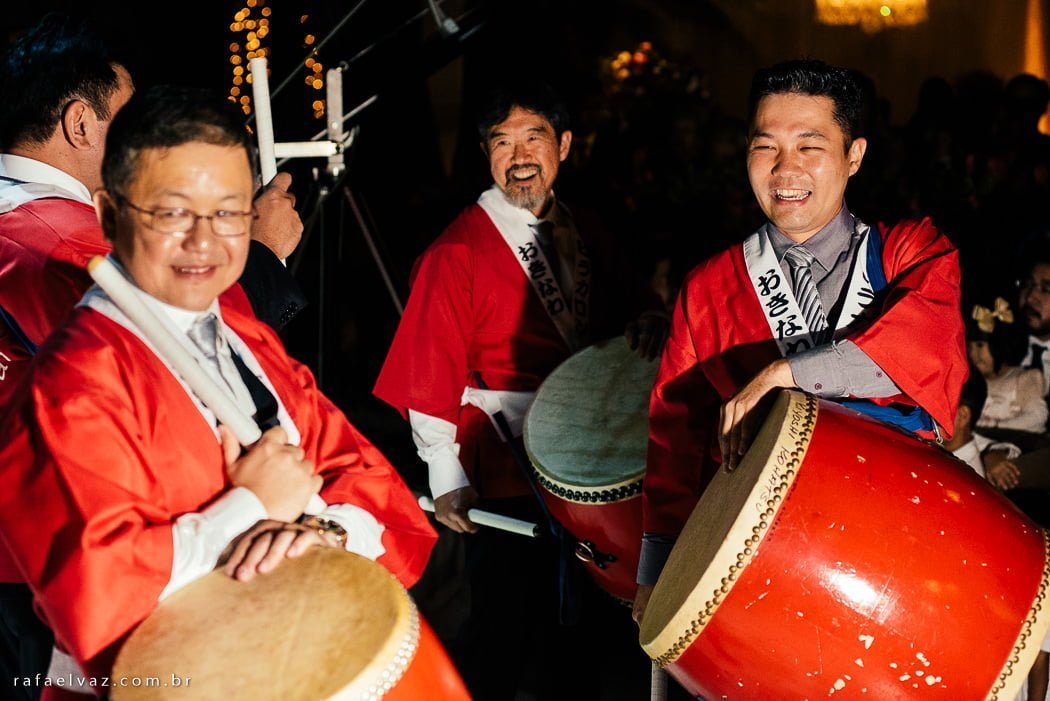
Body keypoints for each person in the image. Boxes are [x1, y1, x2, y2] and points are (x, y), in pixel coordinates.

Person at [0, 85, 436, 698]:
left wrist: (322, 532)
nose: (205, 242)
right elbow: (97, 594)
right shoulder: (69, 387)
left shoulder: (240, 330)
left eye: (230, 213)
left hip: (299, 650)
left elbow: (362, 474)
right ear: (109, 216)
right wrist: (253, 506)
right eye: (172, 212)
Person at [0, 15, 309, 696]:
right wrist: (260, 251)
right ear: (82, 124)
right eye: (130, 116)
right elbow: (188, 366)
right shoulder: (68, 242)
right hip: (71, 576)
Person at [634, 59, 967, 622]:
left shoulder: (914, 252)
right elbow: (675, 439)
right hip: (765, 562)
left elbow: (920, 355)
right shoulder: (709, 286)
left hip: (905, 543)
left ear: (853, 155)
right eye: (765, 147)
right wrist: (656, 570)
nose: (785, 169)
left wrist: (782, 374)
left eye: (810, 146)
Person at [373, 79, 666, 699]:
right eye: (502, 143)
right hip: (505, 462)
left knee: (589, 632)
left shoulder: (585, 230)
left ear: (563, 144)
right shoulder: (456, 250)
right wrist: (447, 477)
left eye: (533, 137)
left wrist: (647, 319)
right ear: (487, 156)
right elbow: (429, 368)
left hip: (592, 461)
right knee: (505, 626)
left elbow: (633, 305)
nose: (519, 154)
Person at [967, 297, 1047, 434]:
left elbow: (1037, 418)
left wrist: (993, 425)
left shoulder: (1024, 378)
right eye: (969, 347)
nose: (974, 355)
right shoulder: (968, 382)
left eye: (980, 346)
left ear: (999, 345)